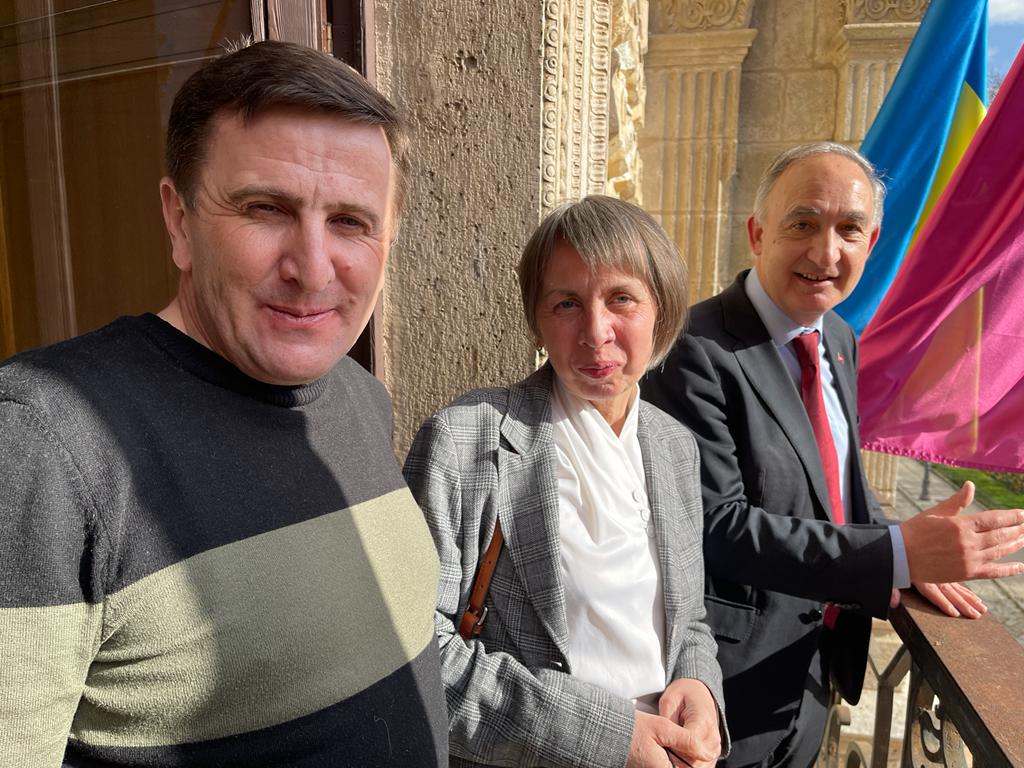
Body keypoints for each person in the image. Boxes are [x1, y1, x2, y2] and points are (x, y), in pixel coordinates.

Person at [0, 41, 447, 767]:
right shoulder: (43, 444)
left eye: (351, 222)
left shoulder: (362, 400)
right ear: (179, 221)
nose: (311, 269)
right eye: (265, 208)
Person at [642, 141, 1024, 768]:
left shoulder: (839, 337)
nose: (826, 253)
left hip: (816, 676)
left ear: (872, 244)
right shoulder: (694, 350)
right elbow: (715, 528)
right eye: (803, 224)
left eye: (849, 229)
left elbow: (839, 488)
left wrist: (907, 547)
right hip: (720, 689)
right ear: (758, 233)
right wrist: (893, 553)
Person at [404, 195, 728, 768]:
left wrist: (700, 685)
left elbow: (689, 620)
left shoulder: (675, 448)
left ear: (663, 309)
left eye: (621, 299)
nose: (595, 332)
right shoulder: (467, 441)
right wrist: (606, 738)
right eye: (566, 304)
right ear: (537, 318)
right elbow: (419, 650)